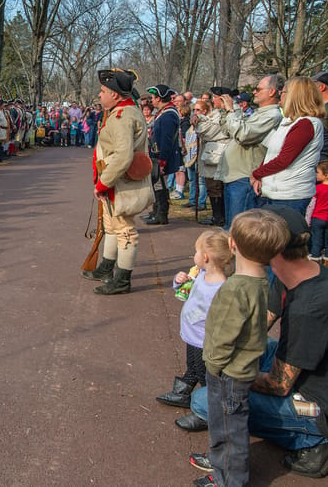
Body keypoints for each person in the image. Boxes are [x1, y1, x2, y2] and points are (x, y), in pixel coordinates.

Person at [184, 205, 328, 480]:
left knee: (206, 401)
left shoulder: (311, 307)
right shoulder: (298, 273)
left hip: (324, 407)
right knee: (250, 353)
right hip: (314, 368)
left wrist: (231, 377)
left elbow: (279, 384)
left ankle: (317, 441)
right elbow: (262, 322)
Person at [189, 209, 289, 487]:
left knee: (228, 428)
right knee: (229, 424)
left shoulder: (235, 288)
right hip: (243, 368)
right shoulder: (261, 283)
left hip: (228, 372)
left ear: (233, 245)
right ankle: (222, 465)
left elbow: (224, 335)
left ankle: (229, 479)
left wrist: (212, 363)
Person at [81, 69, 153, 294]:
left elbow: (122, 156)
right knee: (112, 227)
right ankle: (106, 268)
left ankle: (122, 280)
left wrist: (103, 183)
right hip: (115, 182)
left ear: (115, 94)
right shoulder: (122, 112)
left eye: (103, 91)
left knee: (124, 231)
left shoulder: (123, 116)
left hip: (120, 182)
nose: (99, 95)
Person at [155, 230, 232, 408]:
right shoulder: (200, 275)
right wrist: (178, 280)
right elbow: (184, 290)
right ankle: (183, 391)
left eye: (196, 252)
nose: (194, 256)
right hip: (192, 334)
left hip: (203, 339)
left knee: (204, 372)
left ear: (205, 257)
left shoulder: (220, 287)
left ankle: (208, 406)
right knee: (192, 365)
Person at [250, 76, 325, 216]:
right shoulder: (288, 121)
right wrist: (260, 175)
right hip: (275, 191)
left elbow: (284, 159)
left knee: (287, 236)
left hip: (291, 195)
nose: (280, 96)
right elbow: (271, 153)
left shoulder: (306, 124)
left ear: (294, 96)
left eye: (283, 92)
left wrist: (256, 174)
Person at [219, 75, 284, 229]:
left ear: (271, 92)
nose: (254, 92)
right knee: (232, 227)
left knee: (240, 228)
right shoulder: (258, 113)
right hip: (235, 177)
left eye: (259, 89)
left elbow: (243, 134)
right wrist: (226, 111)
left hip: (245, 177)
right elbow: (228, 131)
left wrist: (230, 111)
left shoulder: (272, 116)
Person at [193, 91, 231, 226]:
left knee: (216, 187)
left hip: (216, 156)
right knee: (212, 187)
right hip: (210, 155)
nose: (195, 112)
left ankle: (219, 217)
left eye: (198, 110)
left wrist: (199, 123)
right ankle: (217, 215)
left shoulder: (221, 115)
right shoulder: (213, 116)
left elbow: (207, 131)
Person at [145, 84, 180, 225]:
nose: (151, 100)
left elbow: (165, 140)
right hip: (157, 154)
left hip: (162, 156)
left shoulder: (168, 114)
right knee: (156, 184)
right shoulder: (164, 112)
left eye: (153, 97)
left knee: (160, 185)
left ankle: (162, 214)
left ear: (159, 98)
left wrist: (162, 161)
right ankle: (156, 211)